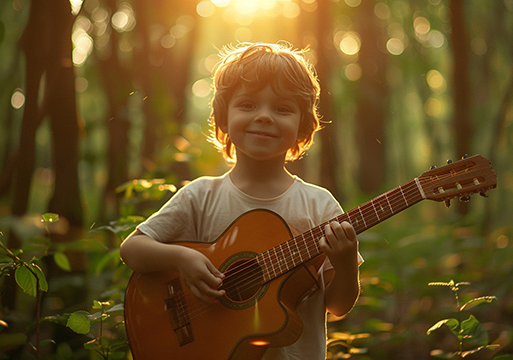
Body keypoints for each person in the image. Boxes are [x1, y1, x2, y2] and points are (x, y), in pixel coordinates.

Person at [120, 42, 363, 360]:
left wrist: (346, 264)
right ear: (224, 116)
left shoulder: (319, 206)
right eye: (247, 105)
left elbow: (337, 306)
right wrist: (182, 259)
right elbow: (132, 249)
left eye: (282, 109)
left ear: (303, 124)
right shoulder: (201, 196)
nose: (264, 117)